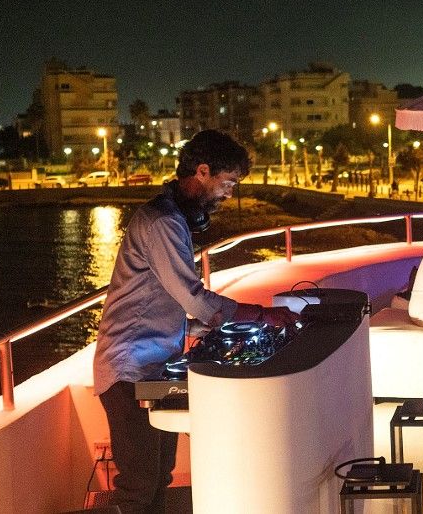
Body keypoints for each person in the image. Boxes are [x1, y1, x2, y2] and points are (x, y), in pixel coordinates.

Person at [93, 129, 297, 514]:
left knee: (159, 477)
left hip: (151, 365)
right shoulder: (162, 222)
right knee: (138, 485)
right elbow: (191, 295)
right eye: (228, 182)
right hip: (129, 368)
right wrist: (260, 313)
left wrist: (192, 329)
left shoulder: (173, 218)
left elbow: (157, 301)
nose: (230, 193)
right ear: (202, 171)